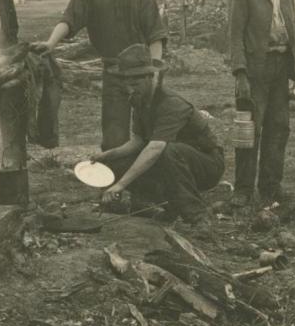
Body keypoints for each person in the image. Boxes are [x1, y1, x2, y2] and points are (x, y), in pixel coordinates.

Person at [39, 0, 168, 150]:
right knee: (113, 138)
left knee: (149, 134)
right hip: (114, 73)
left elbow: (155, 36)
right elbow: (69, 19)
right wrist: (51, 43)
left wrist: (154, 75)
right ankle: (117, 180)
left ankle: (146, 180)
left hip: (142, 75)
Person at [92, 44, 224, 224]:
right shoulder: (139, 100)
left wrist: (120, 185)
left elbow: (155, 148)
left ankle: (198, 216)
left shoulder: (171, 103)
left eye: (135, 82)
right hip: (173, 162)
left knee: (169, 152)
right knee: (118, 161)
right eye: (127, 83)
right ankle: (164, 207)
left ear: (150, 76)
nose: (130, 88)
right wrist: (105, 156)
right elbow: (137, 142)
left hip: (206, 165)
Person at [228, 0, 295, 208]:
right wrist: (240, 74)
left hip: (280, 68)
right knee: (249, 130)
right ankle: (243, 190)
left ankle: (271, 188)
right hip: (254, 70)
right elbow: (235, 36)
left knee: (279, 128)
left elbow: (293, 31)